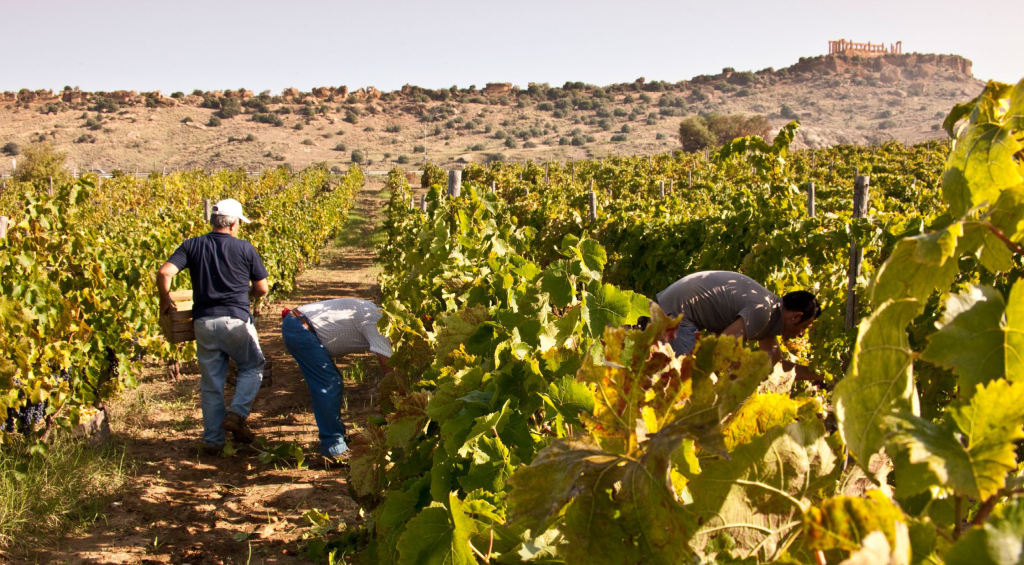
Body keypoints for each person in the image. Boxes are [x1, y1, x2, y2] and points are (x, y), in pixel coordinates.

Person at [157, 198, 269, 451]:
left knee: (211, 383)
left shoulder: (192, 245)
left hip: (204, 323)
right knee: (252, 366)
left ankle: (213, 441)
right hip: (235, 321)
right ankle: (237, 414)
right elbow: (262, 289)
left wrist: (165, 298)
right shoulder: (244, 248)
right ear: (233, 224)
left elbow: (165, 273)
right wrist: (245, 294)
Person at [655, 270, 822, 381]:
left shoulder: (768, 312)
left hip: (676, 307)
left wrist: (818, 377)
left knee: (686, 379)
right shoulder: (762, 312)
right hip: (678, 313)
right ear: (796, 317)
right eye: (805, 327)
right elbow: (721, 347)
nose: (801, 334)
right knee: (696, 382)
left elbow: (775, 367)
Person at [281, 298, 393, 460]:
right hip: (301, 328)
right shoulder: (377, 324)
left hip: (298, 322)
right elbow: (390, 372)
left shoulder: (374, 314)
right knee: (329, 383)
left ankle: (335, 437)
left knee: (330, 381)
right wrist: (398, 399)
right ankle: (333, 447)